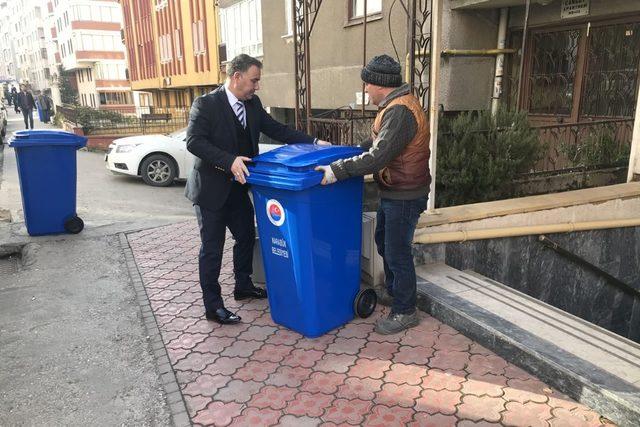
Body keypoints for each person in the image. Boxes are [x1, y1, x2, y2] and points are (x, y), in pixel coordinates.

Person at [185, 54, 329, 325]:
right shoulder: (206, 104)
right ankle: (213, 306)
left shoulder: (252, 104)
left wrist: (313, 141)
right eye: (254, 80)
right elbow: (194, 142)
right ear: (236, 76)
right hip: (210, 190)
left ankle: (243, 285)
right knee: (212, 249)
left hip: (238, 188)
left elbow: (276, 128)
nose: (257, 86)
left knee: (245, 237)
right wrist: (229, 160)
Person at [315, 54, 430, 335]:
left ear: (379, 84)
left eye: (366, 84)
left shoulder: (400, 111)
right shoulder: (395, 106)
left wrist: (336, 171)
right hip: (395, 191)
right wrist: (353, 149)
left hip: (404, 194)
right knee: (384, 243)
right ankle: (394, 292)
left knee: (397, 251)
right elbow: (379, 142)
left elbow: (379, 156)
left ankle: (405, 311)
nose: (365, 90)